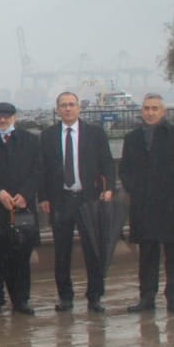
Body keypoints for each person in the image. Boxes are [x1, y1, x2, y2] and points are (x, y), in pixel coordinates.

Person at [120, 95, 174, 316]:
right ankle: (147, 297)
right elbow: (124, 170)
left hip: (170, 203)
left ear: (163, 112)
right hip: (143, 205)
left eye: (154, 109)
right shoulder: (132, 138)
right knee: (147, 253)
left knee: (173, 252)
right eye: (146, 108)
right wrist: (136, 189)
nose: (150, 112)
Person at [40, 90, 118, 313]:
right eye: (63, 105)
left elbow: (107, 163)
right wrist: (43, 197)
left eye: (71, 104)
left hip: (89, 199)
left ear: (79, 107)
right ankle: (65, 296)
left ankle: (95, 296)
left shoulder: (94, 133)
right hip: (61, 200)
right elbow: (42, 169)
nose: (67, 108)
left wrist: (109, 188)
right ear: (57, 109)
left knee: (93, 249)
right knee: (61, 251)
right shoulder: (48, 136)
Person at [0, 102, 42, 316]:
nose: (3, 120)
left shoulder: (31, 141)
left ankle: (21, 299)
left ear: (14, 117)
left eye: (7, 116)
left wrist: (26, 194)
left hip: (22, 207)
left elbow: (38, 170)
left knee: (21, 256)